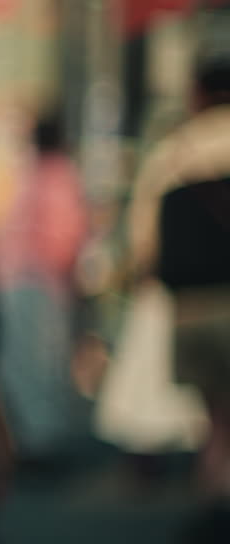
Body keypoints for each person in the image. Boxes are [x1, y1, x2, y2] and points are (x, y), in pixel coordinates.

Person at [127, 52, 230, 540]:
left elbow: (143, 238)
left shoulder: (174, 151)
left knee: (216, 420)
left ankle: (217, 504)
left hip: (192, 307)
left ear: (198, 93)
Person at [0, 114, 90, 462]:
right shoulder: (61, 175)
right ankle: (41, 442)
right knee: (44, 365)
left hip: (5, 279)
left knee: (17, 365)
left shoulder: (22, 174)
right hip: (41, 282)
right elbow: (67, 237)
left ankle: (20, 438)